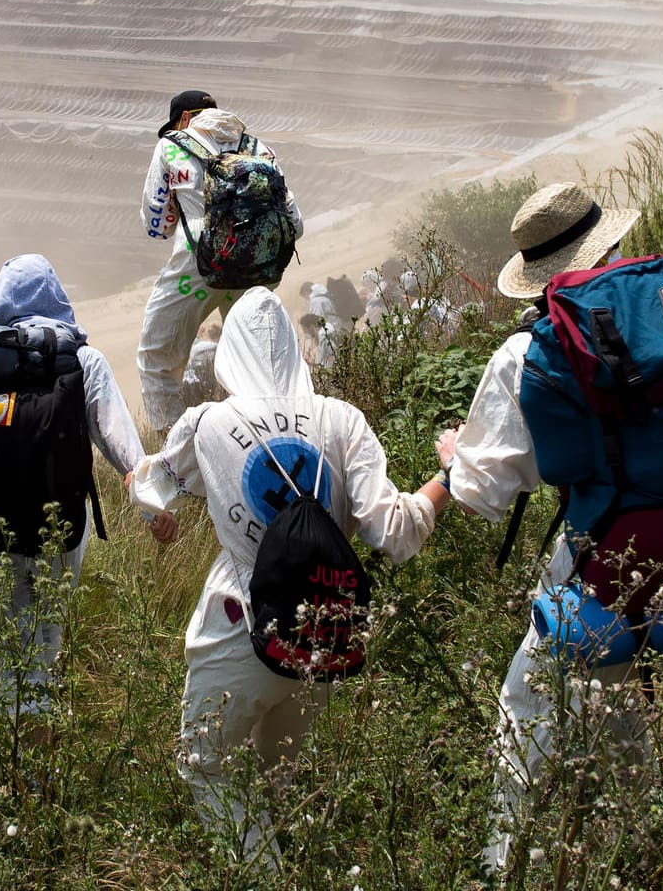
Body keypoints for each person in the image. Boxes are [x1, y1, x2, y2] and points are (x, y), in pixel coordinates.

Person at [439, 183, 663, 875]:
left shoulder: (529, 353)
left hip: (616, 561)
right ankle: (650, 829)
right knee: (613, 688)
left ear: (538, 276)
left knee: (526, 700)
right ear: (614, 243)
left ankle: (507, 866)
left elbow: (483, 493)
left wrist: (453, 458)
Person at [130, 286, 449, 868]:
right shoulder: (342, 420)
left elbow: (148, 485)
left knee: (206, 766)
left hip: (236, 627)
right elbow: (396, 532)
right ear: (295, 357)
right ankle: (297, 862)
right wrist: (448, 477)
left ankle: (265, 873)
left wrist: (159, 520)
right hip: (321, 629)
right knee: (279, 775)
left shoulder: (207, 423)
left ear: (230, 355)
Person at [0, 255, 149, 733]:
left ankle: (19, 751)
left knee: (1, 638)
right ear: (57, 295)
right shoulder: (83, 358)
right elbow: (123, 446)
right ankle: (44, 727)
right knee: (46, 626)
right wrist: (152, 507)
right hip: (60, 521)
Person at [136, 92, 304, 430]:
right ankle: (274, 430)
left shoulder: (172, 146)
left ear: (184, 119)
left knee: (156, 358)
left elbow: (157, 226)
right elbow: (295, 222)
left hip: (197, 266)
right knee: (259, 360)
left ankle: (175, 450)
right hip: (260, 268)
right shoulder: (258, 147)